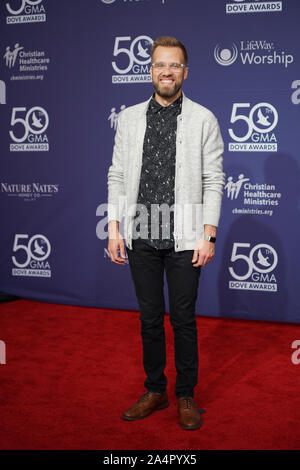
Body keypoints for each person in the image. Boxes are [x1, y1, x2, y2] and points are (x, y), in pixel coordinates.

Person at [107, 36, 225, 430]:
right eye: (160, 65)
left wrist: (208, 235)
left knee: (185, 319)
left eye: (174, 66)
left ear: (185, 72)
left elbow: (213, 179)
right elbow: (118, 174)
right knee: (149, 318)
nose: (167, 72)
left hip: (186, 232)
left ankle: (186, 394)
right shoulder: (129, 118)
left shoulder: (203, 118)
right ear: (151, 70)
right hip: (141, 229)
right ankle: (155, 389)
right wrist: (114, 227)